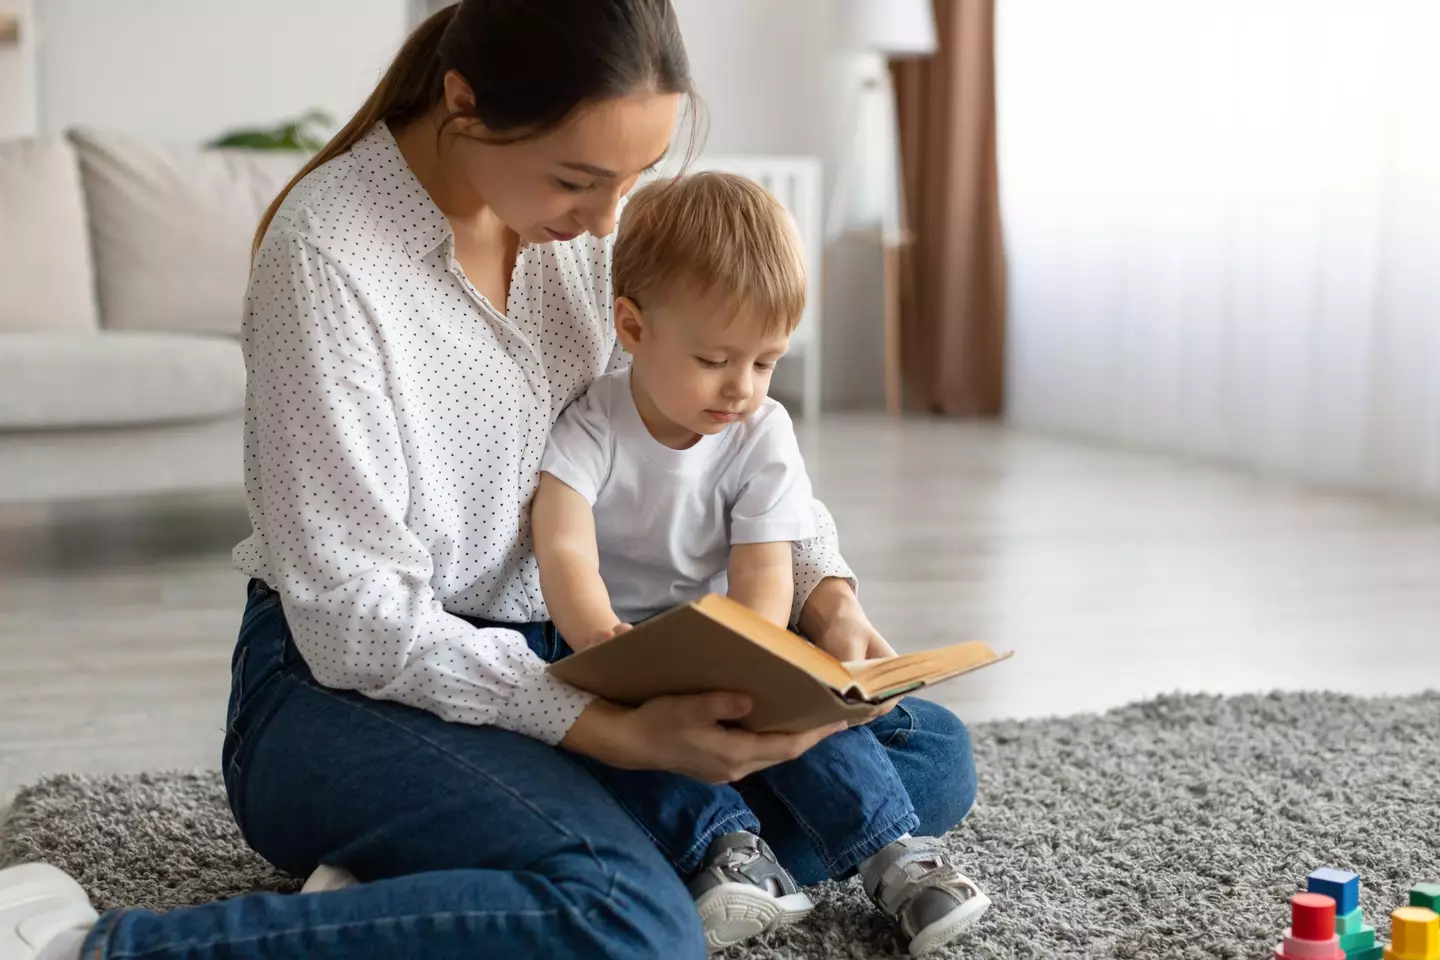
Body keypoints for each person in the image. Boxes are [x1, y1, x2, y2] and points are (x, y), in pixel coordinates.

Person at [0, 3, 979, 959]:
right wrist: (615, 736)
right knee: (630, 924)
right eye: (578, 181)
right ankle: (89, 944)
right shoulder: (328, 257)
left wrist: (828, 592)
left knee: (923, 753)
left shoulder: (583, 235)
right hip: (347, 691)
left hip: (567, 653)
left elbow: (719, 422)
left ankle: (458, 876)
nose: (609, 221)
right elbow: (355, 626)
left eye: (636, 176)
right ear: (465, 102)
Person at [530, 171, 990, 956]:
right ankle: (724, 854)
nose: (741, 388)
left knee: (843, 724)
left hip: (727, 636)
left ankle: (896, 859)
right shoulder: (593, 422)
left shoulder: (761, 431)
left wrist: (760, 656)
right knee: (635, 745)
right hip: (619, 648)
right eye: (714, 360)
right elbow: (564, 544)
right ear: (633, 329)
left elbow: (766, 566)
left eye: (766, 362)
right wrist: (596, 634)